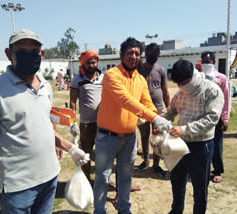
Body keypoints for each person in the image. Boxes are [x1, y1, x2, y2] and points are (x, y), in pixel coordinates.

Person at [0, 29, 89, 214]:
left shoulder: (45, 85)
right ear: (9, 54)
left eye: (34, 51)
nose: (30, 55)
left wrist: (70, 148)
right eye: (22, 51)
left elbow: (44, 125)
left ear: (41, 54)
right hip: (18, 187)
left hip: (50, 177)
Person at [93, 37, 172, 214]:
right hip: (107, 137)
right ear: (121, 55)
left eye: (137, 53)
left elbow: (147, 102)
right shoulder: (112, 75)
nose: (134, 56)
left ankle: (124, 208)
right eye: (130, 52)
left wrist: (156, 117)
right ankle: (99, 210)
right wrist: (154, 117)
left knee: (126, 177)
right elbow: (125, 100)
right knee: (102, 178)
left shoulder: (140, 79)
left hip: (129, 137)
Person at [164, 59, 224, 214]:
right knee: (176, 182)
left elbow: (211, 119)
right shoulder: (180, 93)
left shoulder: (211, 91)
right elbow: (171, 112)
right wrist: (160, 122)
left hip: (201, 146)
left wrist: (185, 129)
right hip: (179, 145)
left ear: (192, 76)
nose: (180, 87)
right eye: (178, 84)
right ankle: (176, 210)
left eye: (183, 83)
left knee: (200, 187)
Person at [137, 43, 170, 177]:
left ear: (158, 55)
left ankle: (156, 165)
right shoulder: (139, 70)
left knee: (158, 137)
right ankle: (145, 160)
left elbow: (165, 91)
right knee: (145, 136)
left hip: (158, 109)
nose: (153, 56)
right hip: (143, 109)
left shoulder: (161, 70)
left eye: (155, 54)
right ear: (146, 54)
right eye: (151, 54)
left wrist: (168, 109)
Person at [69, 50, 103, 181]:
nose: (91, 65)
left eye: (93, 62)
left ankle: (102, 179)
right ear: (83, 64)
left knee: (102, 154)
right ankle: (86, 180)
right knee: (86, 154)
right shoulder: (77, 80)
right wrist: (73, 122)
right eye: (88, 63)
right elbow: (72, 101)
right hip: (86, 124)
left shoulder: (103, 78)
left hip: (102, 124)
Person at [200, 51, 230, 183]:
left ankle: (217, 170)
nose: (206, 64)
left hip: (216, 116)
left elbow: (226, 99)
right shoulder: (198, 77)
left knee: (216, 144)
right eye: (203, 61)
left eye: (208, 61)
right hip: (200, 115)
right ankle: (200, 169)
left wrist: (225, 117)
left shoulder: (221, 78)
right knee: (200, 143)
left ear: (213, 61)